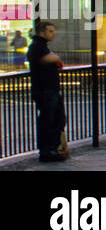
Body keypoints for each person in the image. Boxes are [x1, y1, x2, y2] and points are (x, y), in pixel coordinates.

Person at [27, 19, 67, 162]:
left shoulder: (42, 46)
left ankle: (53, 148)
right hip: (45, 90)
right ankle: (47, 151)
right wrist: (55, 58)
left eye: (53, 30)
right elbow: (46, 59)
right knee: (48, 121)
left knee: (58, 119)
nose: (53, 33)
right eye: (50, 31)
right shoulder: (37, 46)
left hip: (51, 90)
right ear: (42, 32)